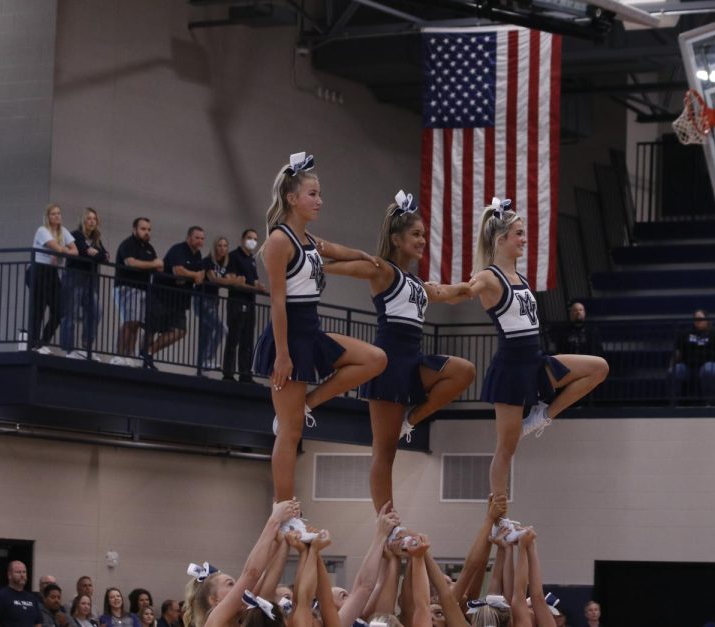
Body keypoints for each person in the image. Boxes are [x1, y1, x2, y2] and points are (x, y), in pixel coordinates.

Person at [323, 190, 475, 511]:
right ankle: (386, 520)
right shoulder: (383, 271)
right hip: (388, 364)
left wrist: (475, 286)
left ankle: (412, 418)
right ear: (396, 239)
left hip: (412, 362)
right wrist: (308, 261)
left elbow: (449, 292)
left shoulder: (417, 284)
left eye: (423, 235)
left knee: (464, 371)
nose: (422, 240)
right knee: (385, 451)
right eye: (416, 234)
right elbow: (348, 267)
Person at [252, 152, 387, 502]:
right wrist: (282, 355)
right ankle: (284, 511)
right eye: (313, 194)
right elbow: (278, 302)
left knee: (374, 359)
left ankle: (307, 404)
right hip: (290, 337)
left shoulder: (310, 240)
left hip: (311, 331)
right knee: (291, 433)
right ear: (292, 198)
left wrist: (363, 254)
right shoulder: (280, 241)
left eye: (320, 194)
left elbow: (336, 250)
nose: (320, 201)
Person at [465, 198, 608, 502]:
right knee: (506, 448)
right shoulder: (489, 276)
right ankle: (498, 516)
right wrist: (437, 292)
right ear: (501, 239)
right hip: (511, 368)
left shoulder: (521, 278)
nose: (524, 239)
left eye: (523, 233)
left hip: (536, 361)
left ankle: (543, 416)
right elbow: (464, 291)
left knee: (599, 368)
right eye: (519, 233)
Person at [145, 228, 206, 369]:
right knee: (151, 328)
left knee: (180, 330)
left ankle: (149, 352)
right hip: (161, 295)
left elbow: (201, 276)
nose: (200, 241)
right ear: (189, 238)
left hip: (179, 301)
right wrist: (192, 275)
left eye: (202, 238)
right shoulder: (178, 249)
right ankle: (144, 356)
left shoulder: (198, 256)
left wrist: (189, 276)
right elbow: (178, 270)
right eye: (197, 238)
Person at [113, 218, 163, 366]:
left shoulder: (149, 248)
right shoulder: (128, 244)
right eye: (143, 229)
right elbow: (131, 262)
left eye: (148, 229)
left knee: (135, 324)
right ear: (134, 229)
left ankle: (128, 356)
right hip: (127, 287)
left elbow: (159, 266)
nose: (146, 232)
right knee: (129, 322)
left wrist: (154, 264)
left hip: (143, 290)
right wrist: (152, 264)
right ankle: (119, 355)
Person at [29, 204, 78, 353]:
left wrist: (62, 251)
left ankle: (43, 342)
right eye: (53, 214)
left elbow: (75, 251)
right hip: (38, 270)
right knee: (39, 308)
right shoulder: (42, 230)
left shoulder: (63, 231)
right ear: (48, 217)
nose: (57, 216)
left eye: (58, 214)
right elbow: (57, 247)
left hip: (52, 273)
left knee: (59, 310)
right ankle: (33, 344)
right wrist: (63, 250)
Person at [61, 208, 108, 359]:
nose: (92, 221)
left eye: (94, 218)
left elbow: (105, 257)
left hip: (90, 281)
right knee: (71, 313)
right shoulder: (76, 235)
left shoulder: (97, 239)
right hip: (74, 278)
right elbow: (82, 251)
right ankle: (69, 349)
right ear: (83, 220)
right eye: (89, 218)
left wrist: (95, 253)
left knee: (96, 311)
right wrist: (92, 253)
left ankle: (87, 347)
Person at [223, 228, 267, 382]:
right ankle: (228, 373)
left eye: (255, 239)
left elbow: (253, 281)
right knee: (234, 338)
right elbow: (235, 282)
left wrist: (259, 287)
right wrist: (254, 288)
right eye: (249, 238)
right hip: (237, 302)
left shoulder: (252, 260)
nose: (252, 241)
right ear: (242, 239)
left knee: (247, 339)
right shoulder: (234, 257)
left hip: (250, 303)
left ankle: (245, 373)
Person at [669, 309, 715, 403]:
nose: (697, 322)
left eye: (700, 319)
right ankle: (674, 404)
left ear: (707, 320)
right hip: (689, 367)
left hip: (711, 365)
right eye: (695, 319)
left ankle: (709, 403)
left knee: (707, 369)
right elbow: (677, 353)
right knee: (675, 371)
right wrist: (671, 367)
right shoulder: (686, 333)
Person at [197, 236, 239, 371]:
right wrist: (228, 280)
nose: (222, 248)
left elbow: (232, 279)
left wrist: (227, 280)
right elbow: (213, 279)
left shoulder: (227, 264)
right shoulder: (208, 261)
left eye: (225, 246)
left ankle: (202, 364)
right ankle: (208, 358)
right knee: (222, 328)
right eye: (219, 246)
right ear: (215, 247)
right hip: (201, 299)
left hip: (213, 300)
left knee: (208, 333)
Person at [0, 561, 42, 627]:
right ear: (9, 575)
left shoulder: (32, 598)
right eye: (18, 572)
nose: (22, 575)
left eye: (24, 572)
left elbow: (38, 623)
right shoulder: (0, 597)